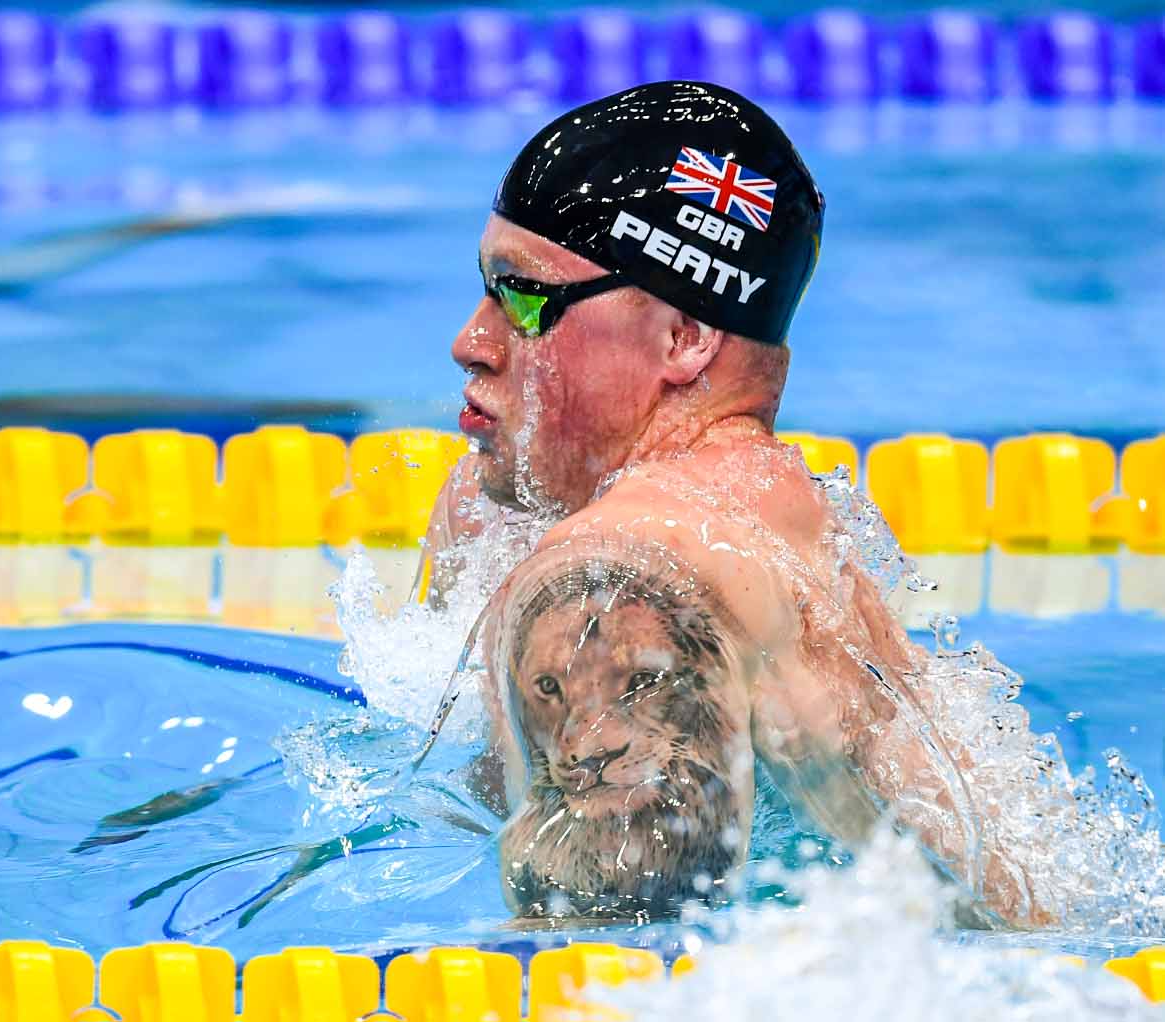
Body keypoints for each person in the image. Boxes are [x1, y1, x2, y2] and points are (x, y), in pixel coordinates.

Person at [419, 80, 1042, 927]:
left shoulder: (613, 586)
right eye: (485, 287)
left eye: (524, 297)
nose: (471, 341)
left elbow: (603, 958)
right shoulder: (748, 513)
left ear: (684, 338)